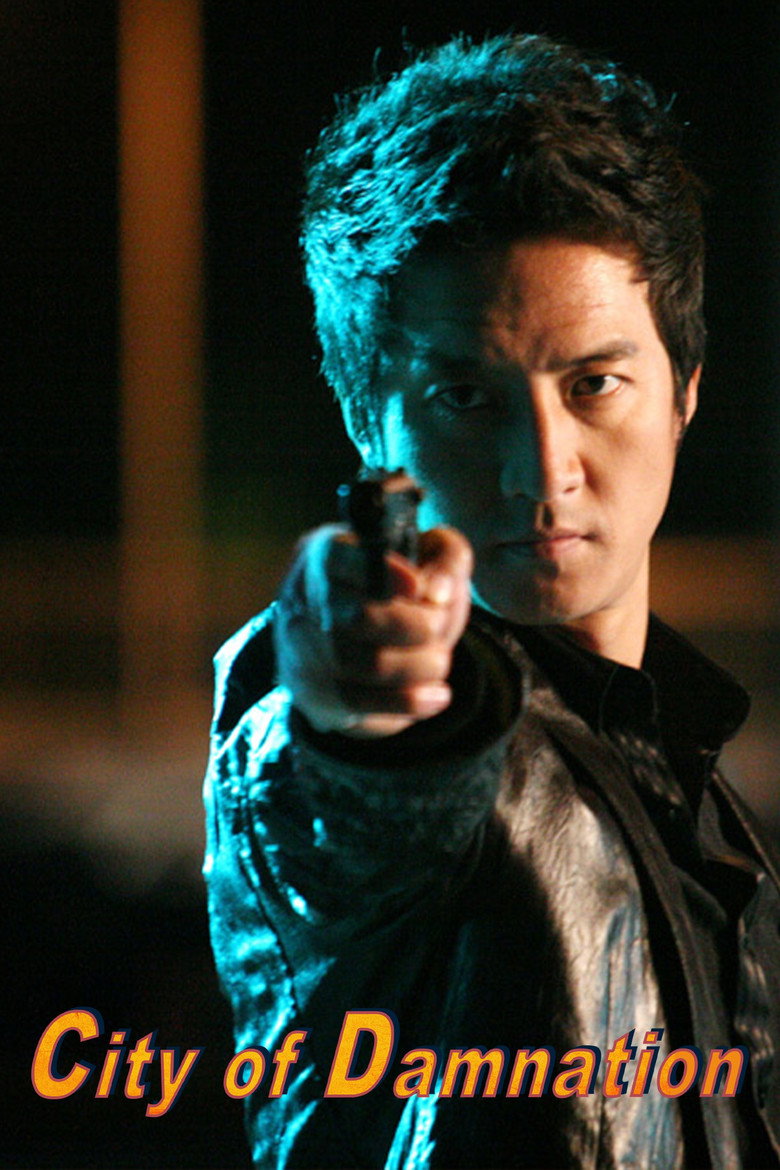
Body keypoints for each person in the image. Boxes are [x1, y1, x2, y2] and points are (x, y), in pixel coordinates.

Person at [203, 33, 780, 1169]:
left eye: (594, 383)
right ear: (369, 424)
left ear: (684, 392)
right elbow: (347, 796)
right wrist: (355, 706)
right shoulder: (396, 721)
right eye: (466, 397)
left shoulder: (708, 806)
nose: (541, 469)